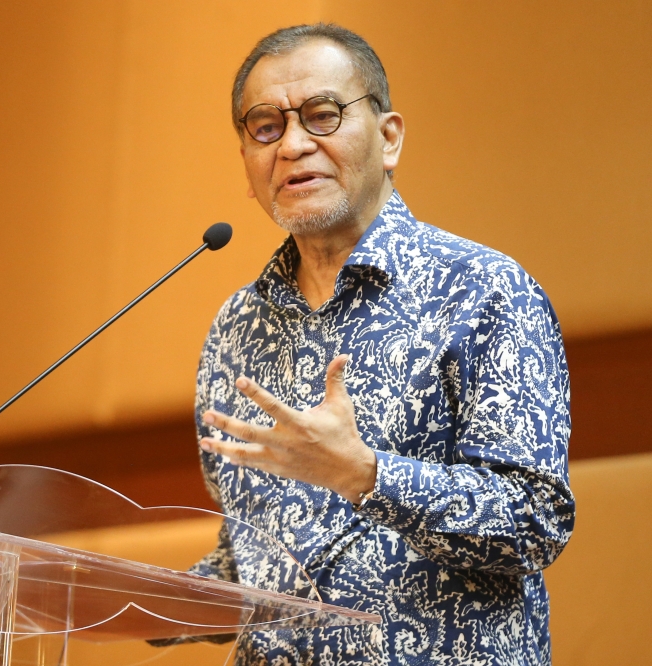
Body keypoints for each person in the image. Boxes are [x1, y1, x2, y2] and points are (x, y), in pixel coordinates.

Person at [192, 23, 574, 665]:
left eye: (321, 114)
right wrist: (129, 599)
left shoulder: (483, 290)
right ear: (247, 164)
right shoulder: (237, 328)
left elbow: (535, 522)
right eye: (265, 126)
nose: (291, 145)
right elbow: (258, 550)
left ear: (389, 136)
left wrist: (365, 475)